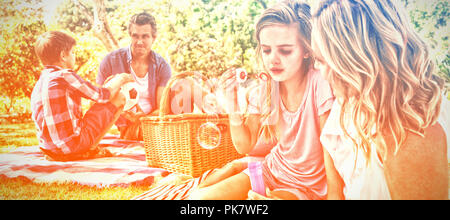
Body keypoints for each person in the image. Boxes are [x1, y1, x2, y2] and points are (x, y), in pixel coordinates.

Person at [190, 0, 335, 200]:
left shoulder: (320, 83)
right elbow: (244, 146)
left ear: (307, 50)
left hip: (306, 188)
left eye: (285, 50)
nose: (273, 59)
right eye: (267, 50)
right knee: (197, 201)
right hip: (271, 172)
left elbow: (331, 150)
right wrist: (232, 102)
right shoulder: (265, 90)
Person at [312, 0, 448, 199]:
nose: (318, 70)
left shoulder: (412, 129)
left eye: (322, 60)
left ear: (353, 62)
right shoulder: (346, 107)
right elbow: (336, 192)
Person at [31, 31, 133, 161]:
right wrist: (121, 78)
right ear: (63, 55)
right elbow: (102, 95)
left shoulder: (40, 81)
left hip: (49, 149)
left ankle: (76, 151)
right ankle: (90, 148)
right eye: (72, 52)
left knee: (95, 106)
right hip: (72, 146)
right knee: (119, 97)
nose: (74, 56)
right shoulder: (64, 75)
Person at [97, 12, 172, 140]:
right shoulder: (110, 61)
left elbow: (162, 108)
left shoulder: (162, 66)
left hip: (151, 122)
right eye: (135, 36)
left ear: (154, 38)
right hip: (121, 125)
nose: (139, 42)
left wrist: (142, 119)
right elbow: (98, 100)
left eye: (145, 36)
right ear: (130, 36)